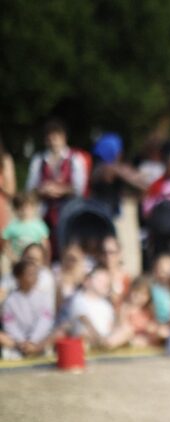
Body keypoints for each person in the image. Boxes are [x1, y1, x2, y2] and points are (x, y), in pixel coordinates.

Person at [25, 119, 88, 256]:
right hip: (45, 213)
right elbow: (30, 189)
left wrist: (60, 190)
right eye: (50, 138)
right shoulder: (39, 160)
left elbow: (79, 188)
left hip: (69, 211)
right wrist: (43, 190)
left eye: (55, 137)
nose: (53, 141)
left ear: (63, 137)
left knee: (68, 248)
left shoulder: (75, 159)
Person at [0, 261, 55, 359]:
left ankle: (35, 349)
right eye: (30, 274)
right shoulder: (10, 300)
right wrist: (21, 341)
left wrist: (33, 341)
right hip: (17, 343)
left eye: (35, 273)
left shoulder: (44, 297)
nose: (34, 277)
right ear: (19, 277)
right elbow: (9, 324)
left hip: (39, 342)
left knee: (57, 334)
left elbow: (45, 322)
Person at [2, 193, 50, 263]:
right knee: (4, 260)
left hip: (33, 259)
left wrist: (45, 260)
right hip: (15, 258)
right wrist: (11, 256)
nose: (25, 211)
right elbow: (6, 244)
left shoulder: (40, 225)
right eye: (22, 207)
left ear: (34, 208)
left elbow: (45, 245)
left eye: (28, 207)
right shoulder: (11, 225)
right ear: (17, 209)